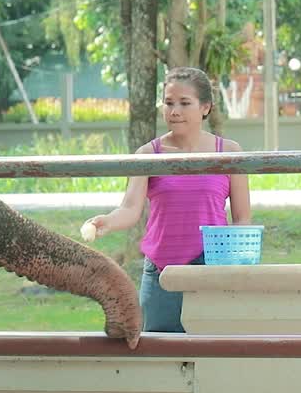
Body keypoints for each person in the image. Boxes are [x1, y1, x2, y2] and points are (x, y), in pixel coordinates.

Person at [82, 67, 251, 333]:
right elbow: (129, 208)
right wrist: (107, 222)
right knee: (161, 354)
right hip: (162, 270)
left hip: (210, 268)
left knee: (213, 354)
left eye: (185, 103)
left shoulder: (229, 152)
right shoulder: (149, 153)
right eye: (169, 103)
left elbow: (242, 218)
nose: (174, 111)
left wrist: (232, 268)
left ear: (205, 107)